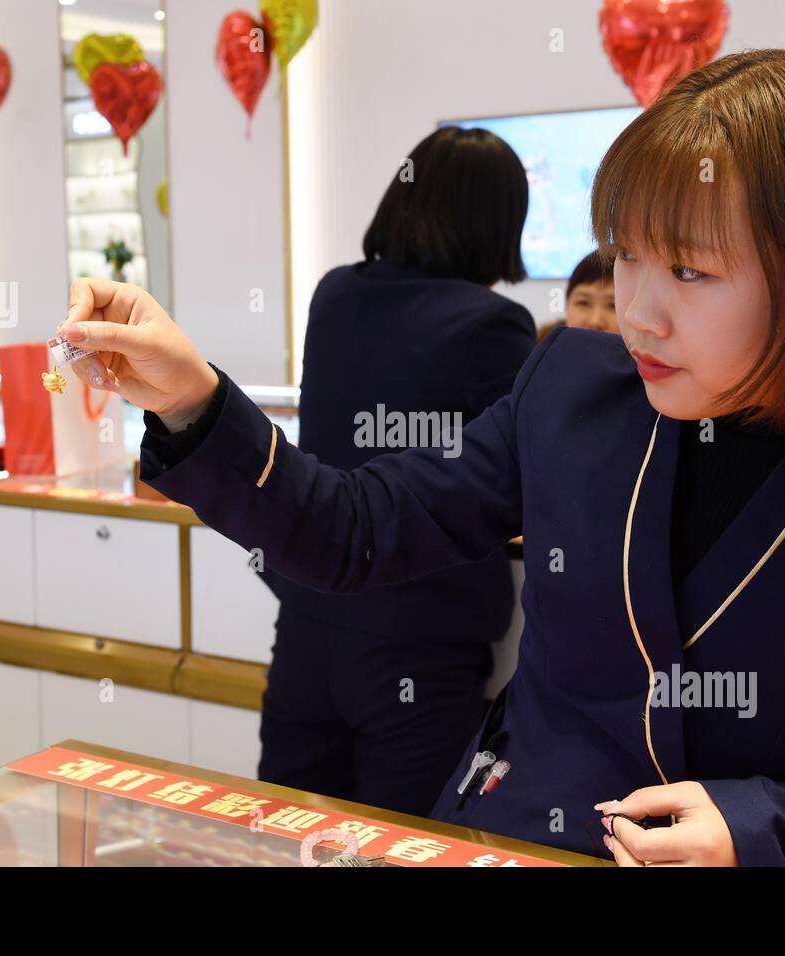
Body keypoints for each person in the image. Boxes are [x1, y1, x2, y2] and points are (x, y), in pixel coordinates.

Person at [62, 49, 785, 865]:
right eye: (624, 253)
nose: (636, 308)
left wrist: (775, 825)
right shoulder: (575, 390)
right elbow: (355, 530)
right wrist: (194, 398)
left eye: (690, 270)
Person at [252, 127, 535, 815]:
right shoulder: (494, 323)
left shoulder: (334, 295)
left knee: (293, 834)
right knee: (407, 843)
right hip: (421, 631)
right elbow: (523, 476)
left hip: (310, 619)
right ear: (498, 223)